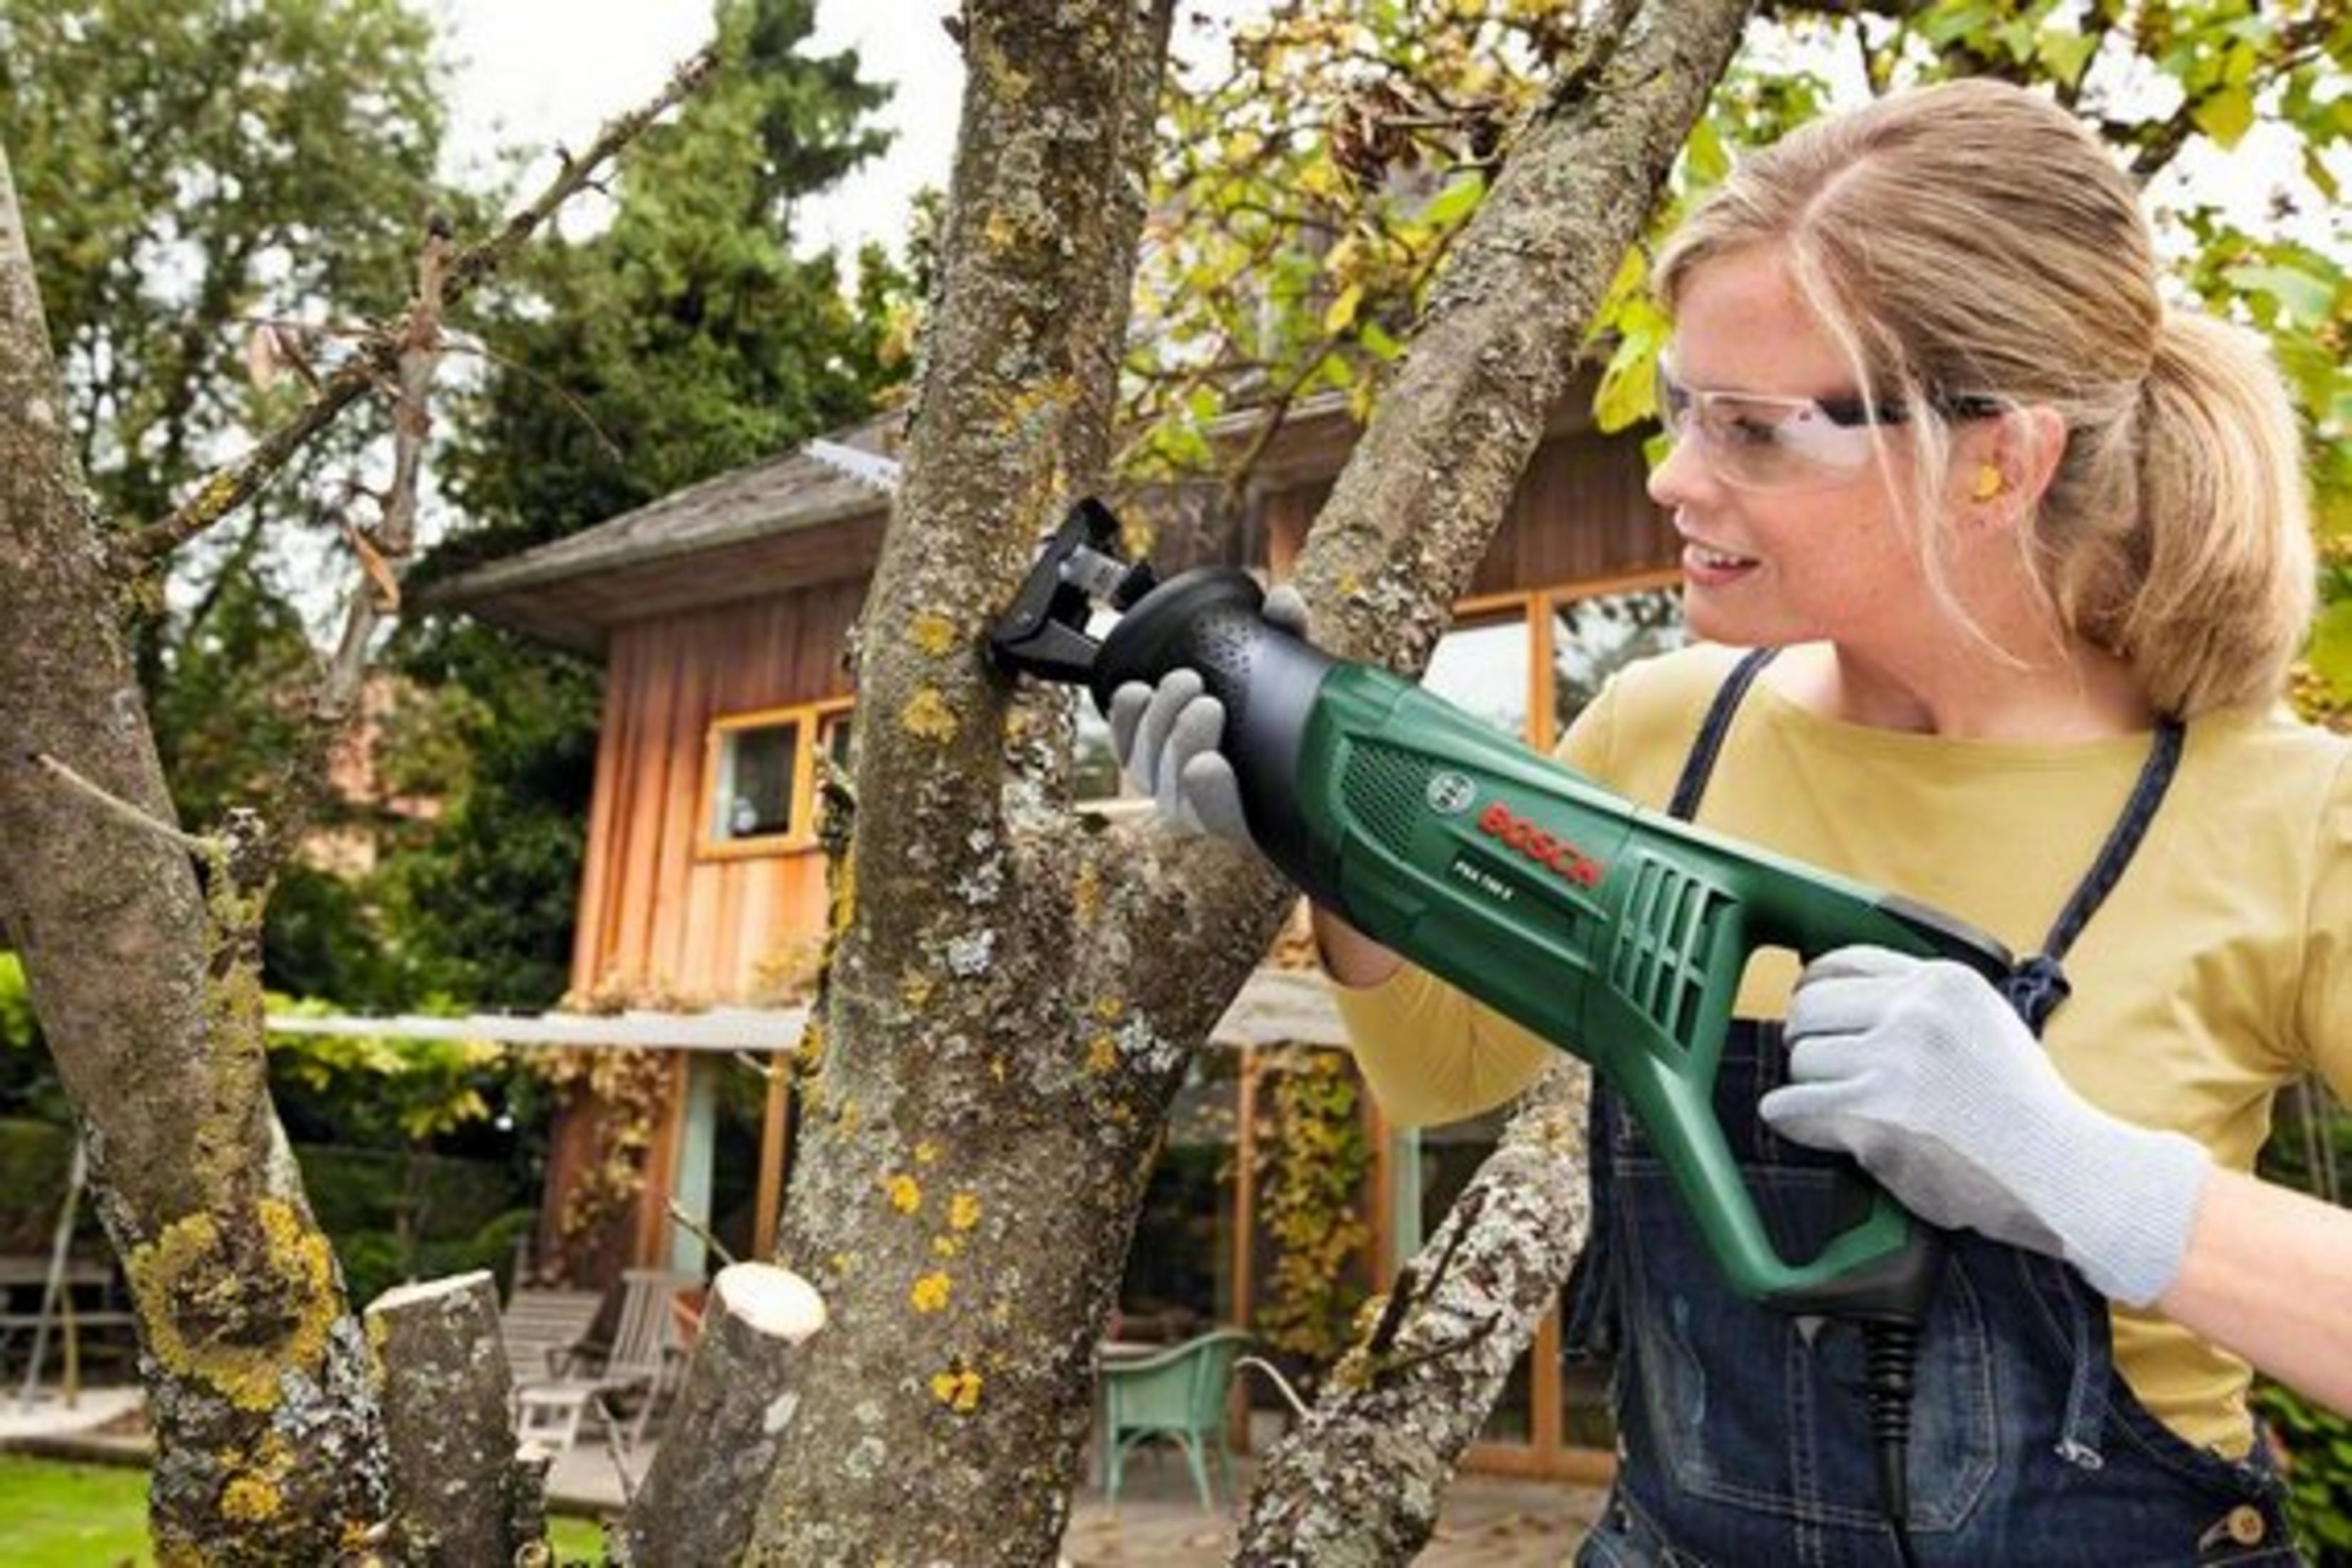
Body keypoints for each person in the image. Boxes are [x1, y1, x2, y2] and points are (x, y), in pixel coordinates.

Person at [1111, 78, 2350, 1565]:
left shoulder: (2283, 814)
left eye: (1754, 431)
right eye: (1687, 405)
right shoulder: (1666, 727)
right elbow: (1442, 1068)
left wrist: (2080, 1172)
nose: (1672, 473)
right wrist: (1321, 821)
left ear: (1996, 460)